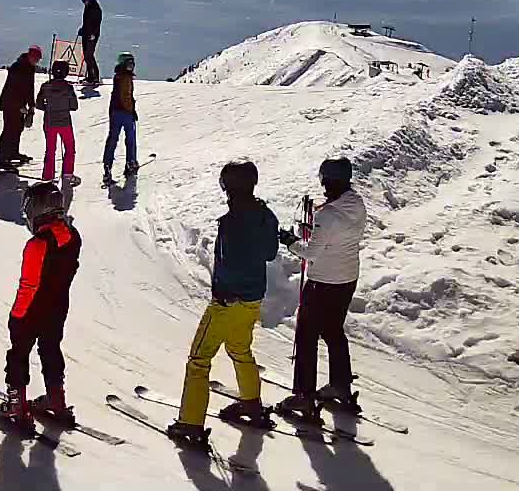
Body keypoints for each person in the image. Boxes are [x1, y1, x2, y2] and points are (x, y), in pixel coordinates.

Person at [166, 160, 282, 445]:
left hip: (228, 301)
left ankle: (190, 422)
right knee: (240, 348)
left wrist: (224, 293)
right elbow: (269, 253)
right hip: (253, 298)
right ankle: (251, 403)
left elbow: (230, 263)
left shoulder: (232, 222)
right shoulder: (265, 214)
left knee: (199, 359)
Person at [277, 157, 366, 418]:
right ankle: (341, 385)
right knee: (333, 330)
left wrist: (291, 241)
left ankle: (304, 395)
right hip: (347, 278)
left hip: (322, 282)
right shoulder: (356, 203)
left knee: (306, 335)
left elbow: (312, 252)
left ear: (327, 180)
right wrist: (316, 224)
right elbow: (331, 231)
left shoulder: (326, 216)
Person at [0, 181, 82, 431]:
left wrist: (17, 315)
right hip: (58, 306)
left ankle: (16, 405)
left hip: (32, 310)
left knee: (19, 353)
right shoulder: (72, 237)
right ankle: (56, 399)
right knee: (50, 349)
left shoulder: (37, 245)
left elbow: (28, 285)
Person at [0, 46, 43, 171]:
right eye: (36, 58)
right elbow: (12, 89)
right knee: (10, 129)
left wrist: (31, 105)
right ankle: (1, 158)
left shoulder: (29, 68)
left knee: (18, 128)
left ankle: (12, 152)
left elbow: (29, 88)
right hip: (10, 104)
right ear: (30, 56)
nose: (37, 61)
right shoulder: (18, 67)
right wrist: (19, 106)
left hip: (19, 104)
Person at [34, 60, 80, 186]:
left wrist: (48, 109)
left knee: (50, 150)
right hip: (65, 123)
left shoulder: (45, 86)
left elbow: (38, 104)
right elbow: (74, 106)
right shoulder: (68, 88)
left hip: (49, 122)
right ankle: (67, 174)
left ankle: (47, 176)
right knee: (70, 149)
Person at [103, 52, 139, 183]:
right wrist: (131, 110)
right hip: (124, 112)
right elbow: (126, 96)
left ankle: (107, 167)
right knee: (130, 138)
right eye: (129, 64)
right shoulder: (125, 78)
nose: (132, 66)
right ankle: (131, 163)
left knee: (113, 139)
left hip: (115, 111)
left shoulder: (118, 76)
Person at [78, 0, 102, 85]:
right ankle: (90, 77)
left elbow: (97, 23)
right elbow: (87, 22)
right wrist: (82, 29)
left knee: (89, 55)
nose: (84, 2)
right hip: (86, 34)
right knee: (86, 55)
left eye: (85, 0)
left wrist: (93, 34)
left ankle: (95, 77)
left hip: (92, 35)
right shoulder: (88, 7)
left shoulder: (95, 8)